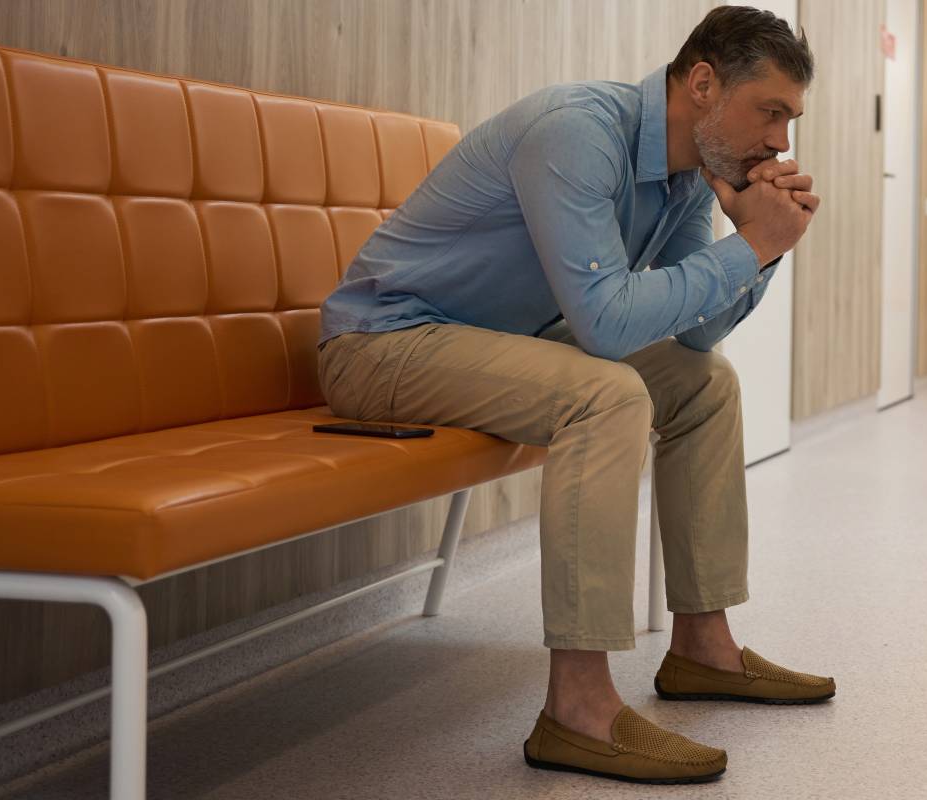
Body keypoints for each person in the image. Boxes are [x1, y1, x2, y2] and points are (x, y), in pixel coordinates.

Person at [315, 6, 829, 785]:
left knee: (704, 385)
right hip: (385, 342)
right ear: (702, 83)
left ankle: (702, 647)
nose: (780, 141)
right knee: (610, 394)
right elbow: (609, 327)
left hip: (499, 341)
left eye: (788, 119)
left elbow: (693, 338)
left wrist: (759, 249)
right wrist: (753, 246)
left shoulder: (688, 181)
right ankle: (577, 708)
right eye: (772, 112)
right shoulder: (576, 132)